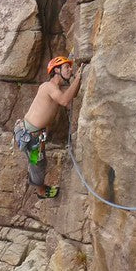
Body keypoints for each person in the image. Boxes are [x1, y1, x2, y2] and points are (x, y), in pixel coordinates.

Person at [14, 56, 84, 199]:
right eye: (66, 67)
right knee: (38, 164)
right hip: (31, 136)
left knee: (37, 162)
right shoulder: (48, 87)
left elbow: (71, 95)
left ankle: (34, 177)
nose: (70, 70)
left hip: (32, 133)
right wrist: (77, 78)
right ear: (56, 70)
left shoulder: (54, 88)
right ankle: (40, 191)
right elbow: (65, 101)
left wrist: (77, 80)